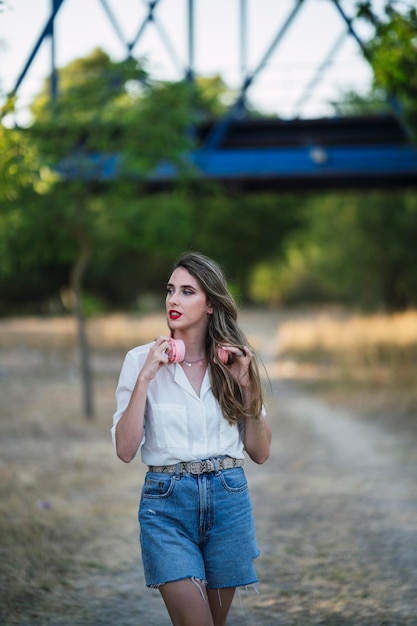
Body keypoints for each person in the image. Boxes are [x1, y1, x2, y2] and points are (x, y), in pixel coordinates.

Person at [112, 251, 272, 626]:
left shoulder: (234, 363)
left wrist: (247, 387)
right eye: (170, 290)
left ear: (211, 305)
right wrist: (146, 378)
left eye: (187, 292)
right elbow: (123, 449)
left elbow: (261, 452)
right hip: (166, 505)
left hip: (229, 501)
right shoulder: (139, 361)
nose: (172, 300)